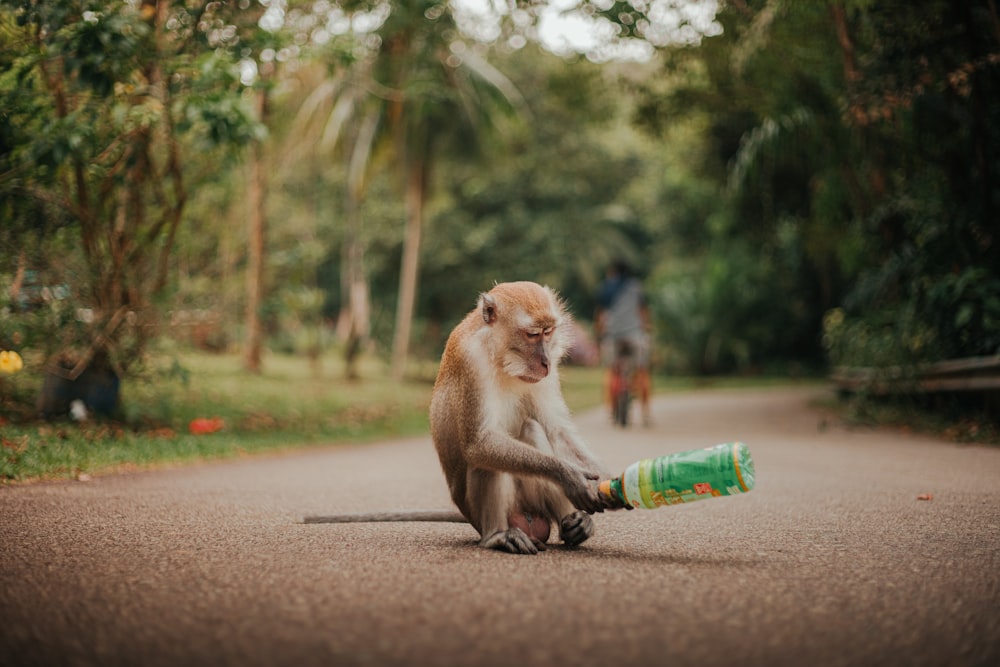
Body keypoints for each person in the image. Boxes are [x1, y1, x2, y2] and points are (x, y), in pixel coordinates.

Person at [594, 261, 652, 426]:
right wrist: (646, 329)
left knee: (613, 372)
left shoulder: (606, 287)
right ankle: (646, 413)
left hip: (612, 336)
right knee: (642, 372)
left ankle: (612, 411)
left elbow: (599, 315)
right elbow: (643, 313)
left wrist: (600, 335)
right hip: (635, 335)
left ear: (613, 271)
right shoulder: (636, 287)